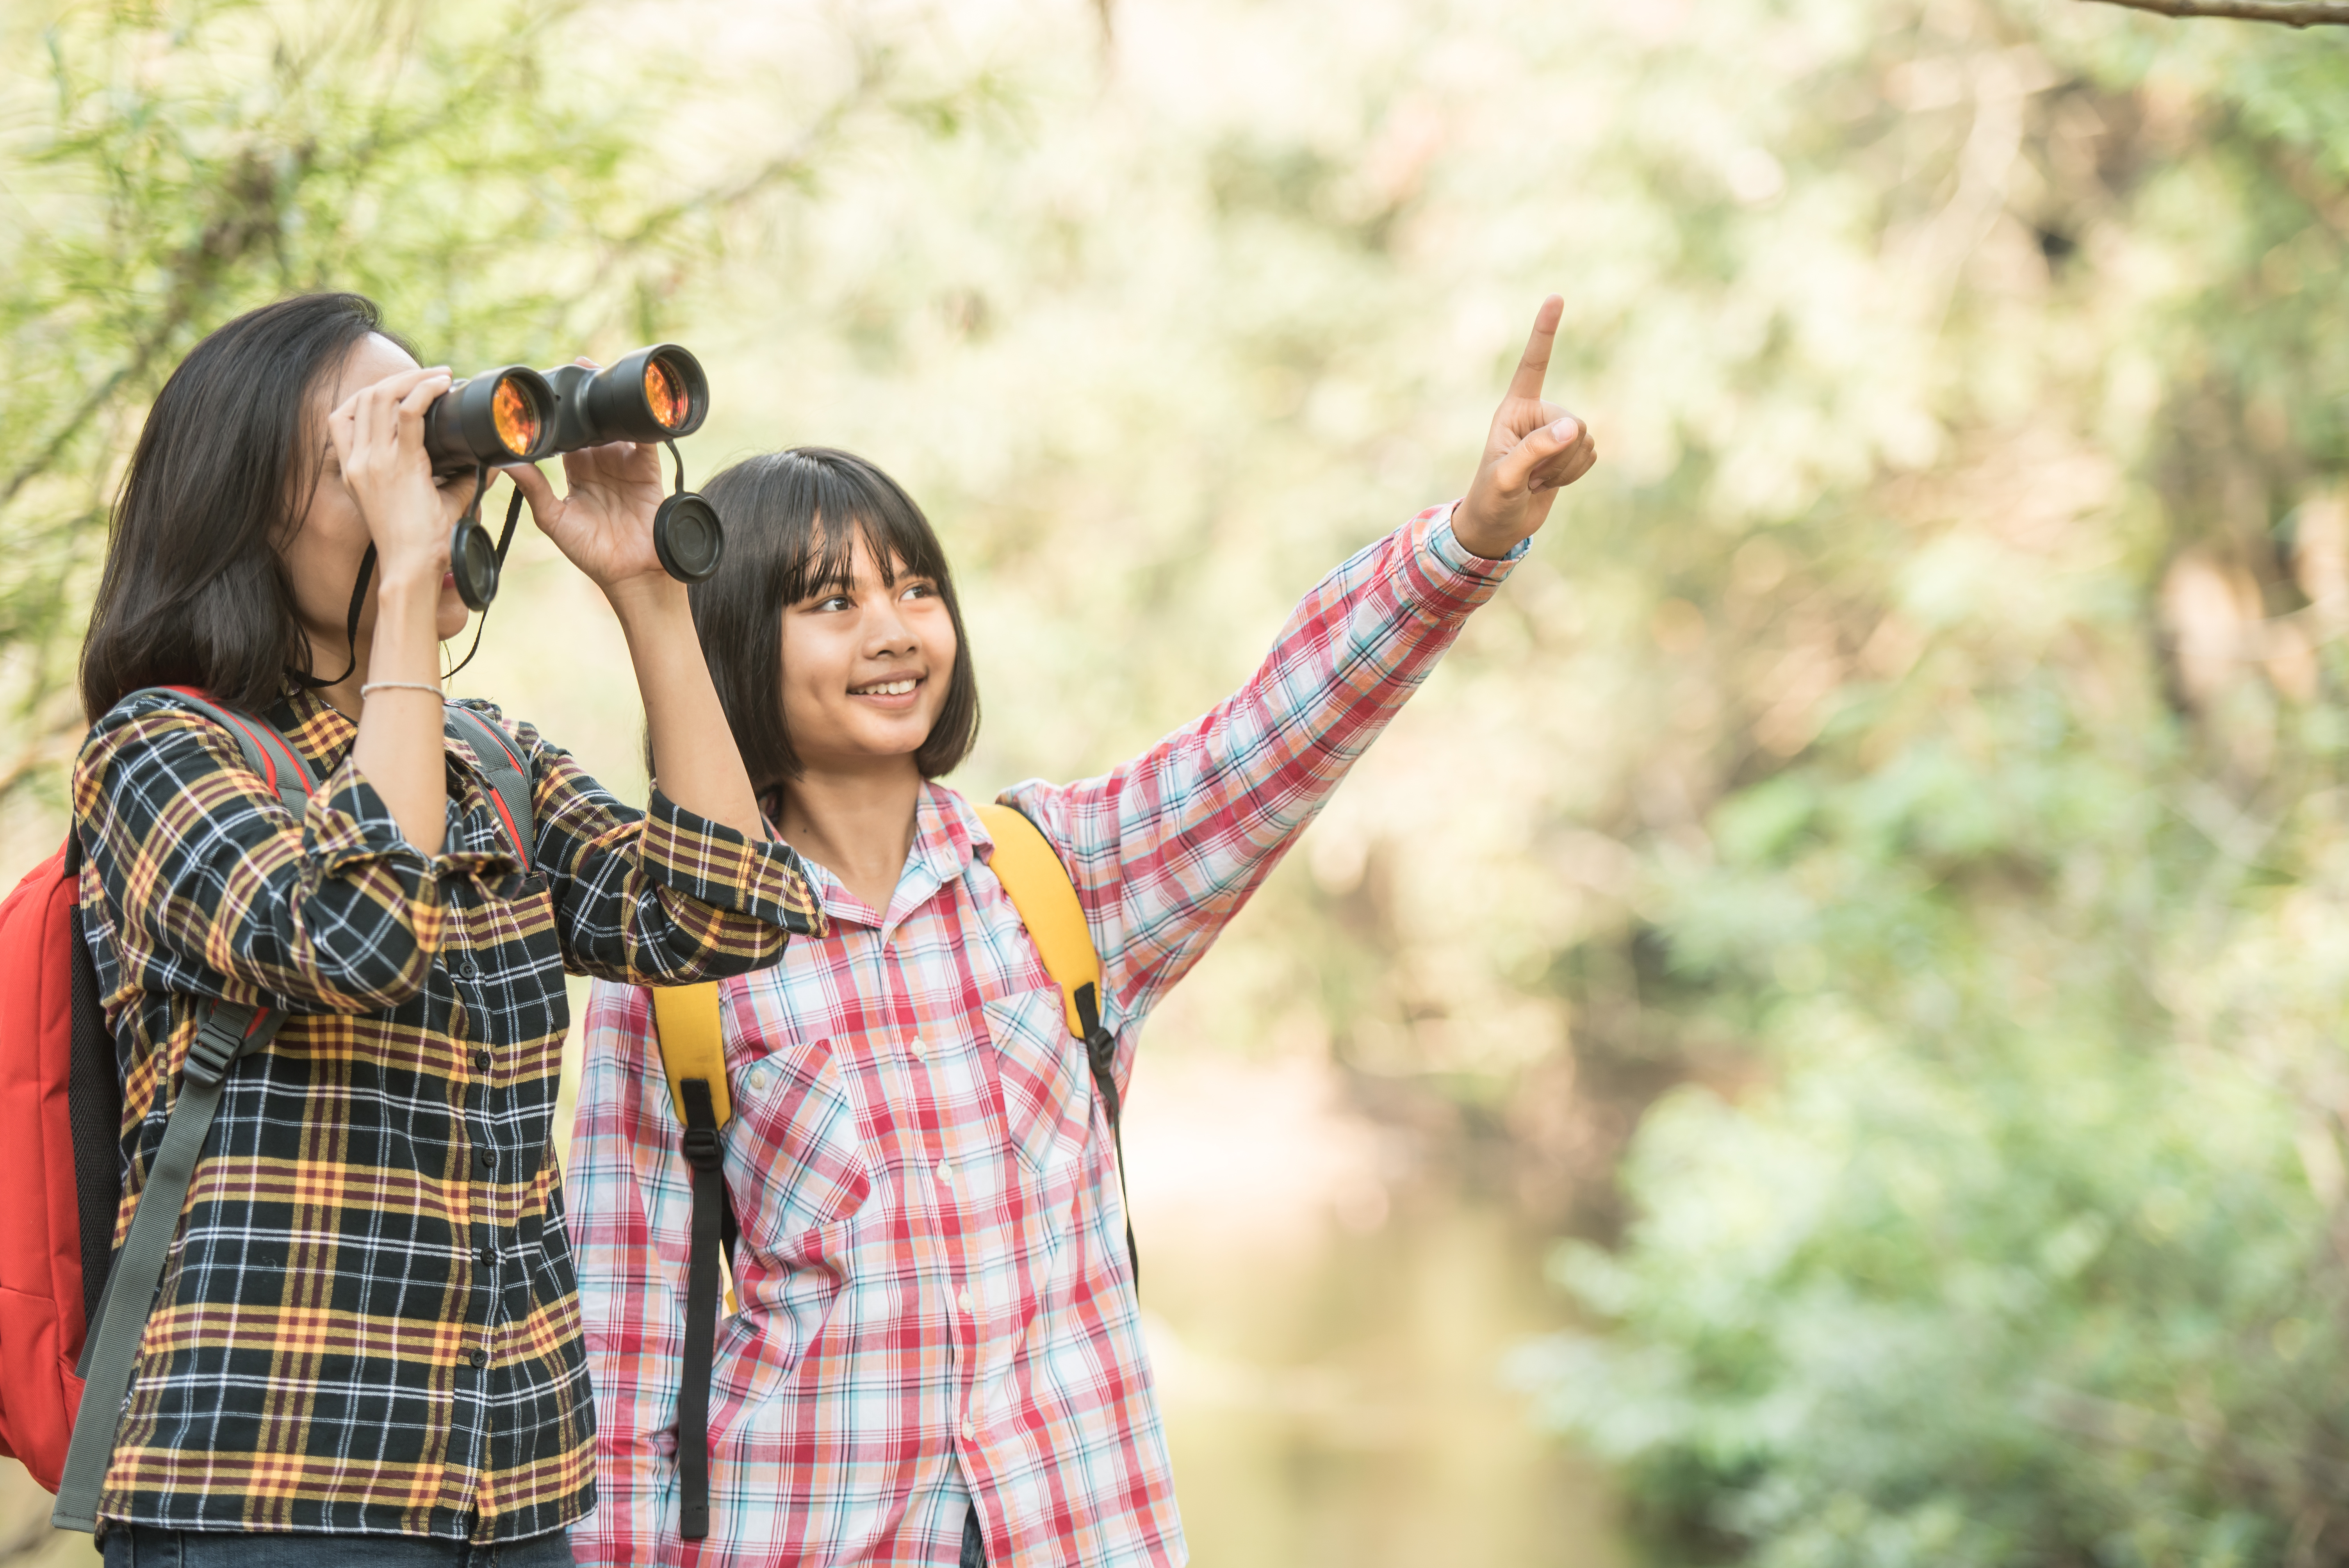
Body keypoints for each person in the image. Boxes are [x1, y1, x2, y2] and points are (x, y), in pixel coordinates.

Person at [563, 296, 1597, 1566]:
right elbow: (623, 1355)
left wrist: (1471, 539)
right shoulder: (673, 963)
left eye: (917, 590)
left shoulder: (1058, 878)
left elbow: (1276, 734)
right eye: (830, 604)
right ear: (735, 642)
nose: (893, 631)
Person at [69, 292, 824, 1564]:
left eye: (444, 461)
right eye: (377, 459)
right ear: (252, 502)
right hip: (272, 1486)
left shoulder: (494, 764)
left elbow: (723, 914)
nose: (438, 494)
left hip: (514, 1483)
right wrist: (407, 583)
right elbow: (359, 932)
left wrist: (646, 585)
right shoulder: (162, 751)